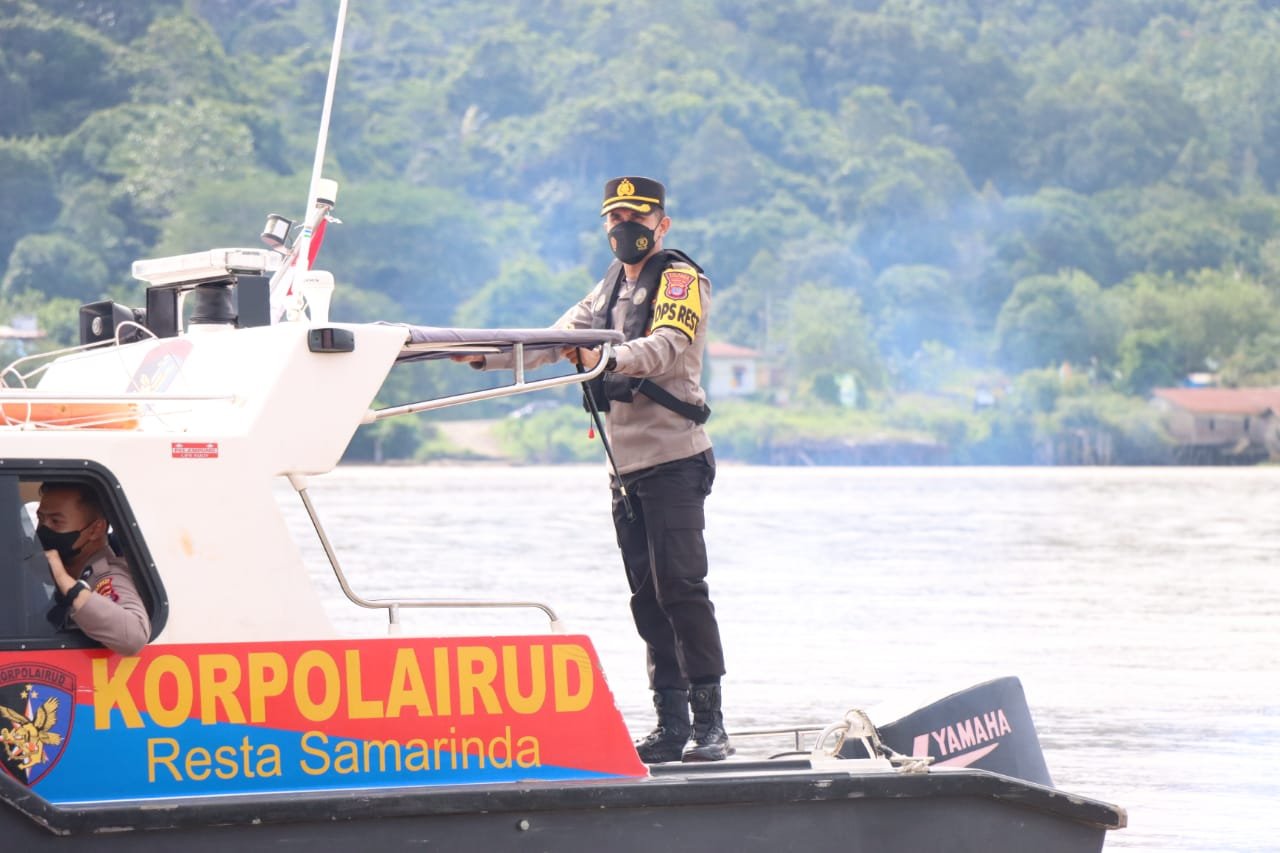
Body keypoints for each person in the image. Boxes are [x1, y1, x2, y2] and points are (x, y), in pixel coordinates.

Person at [456, 176, 729, 762]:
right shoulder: (605, 292)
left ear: (662, 223)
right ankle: (670, 724)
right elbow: (553, 341)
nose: (623, 226)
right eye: (613, 217)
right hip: (626, 470)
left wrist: (605, 355)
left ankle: (712, 726)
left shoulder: (681, 278)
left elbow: (665, 345)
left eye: (635, 215)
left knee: (682, 589)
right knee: (647, 598)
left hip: (675, 459)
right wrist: (480, 355)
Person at [35, 483, 151, 656]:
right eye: (41, 519)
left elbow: (134, 638)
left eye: (56, 521)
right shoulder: (57, 571)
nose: (43, 529)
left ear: (96, 529)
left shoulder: (108, 576)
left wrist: (66, 582)